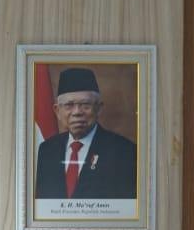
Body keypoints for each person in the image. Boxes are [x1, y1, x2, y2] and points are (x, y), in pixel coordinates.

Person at [33, 67, 138, 200]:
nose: (77, 112)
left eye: (85, 105)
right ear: (57, 111)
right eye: (69, 105)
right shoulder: (46, 150)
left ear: (99, 109)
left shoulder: (125, 151)